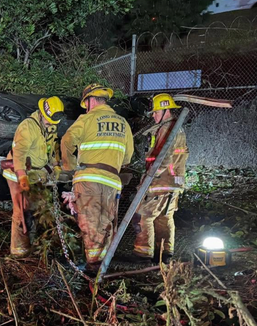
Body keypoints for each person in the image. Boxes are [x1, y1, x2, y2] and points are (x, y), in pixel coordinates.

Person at [61, 84, 134, 273]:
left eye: (86, 103)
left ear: (90, 100)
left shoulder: (87, 119)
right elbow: (127, 157)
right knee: (106, 223)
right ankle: (103, 265)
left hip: (89, 179)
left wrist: (69, 167)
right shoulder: (122, 123)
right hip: (112, 181)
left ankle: (93, 269)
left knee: (90, 222)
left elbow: (67, 141)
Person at [2, 96, 64, 257]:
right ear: (43, 113)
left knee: (38, 208)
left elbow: (53, 148)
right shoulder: (28, 127)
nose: (51, 124)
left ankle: (38, 245)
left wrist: (56, 165)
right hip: (17, 173)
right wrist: (22, 176)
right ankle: (19, 250)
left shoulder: (50, 126)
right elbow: (19, 154)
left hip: (37, 174)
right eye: (49, 120)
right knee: (21, 210)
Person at [132, 93, 189, 263]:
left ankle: (143, 255)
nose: (154, 115)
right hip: (174, 182)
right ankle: (165, 254)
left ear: (165, 110)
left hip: (160, 181)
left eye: (156, 112)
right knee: (165, 217)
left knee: (145, 215)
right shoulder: (177, 128)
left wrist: (151, 176)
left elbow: (164, 158)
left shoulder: (167, 129)